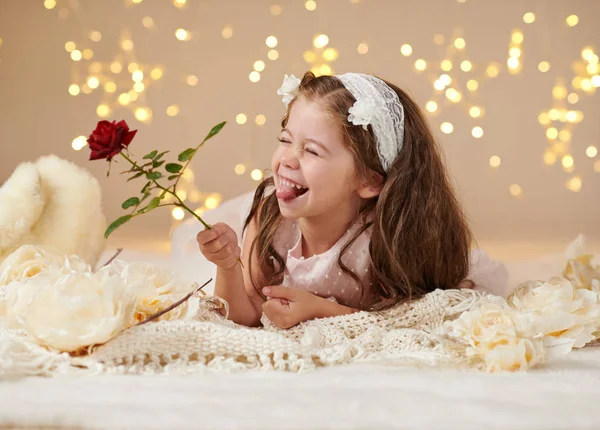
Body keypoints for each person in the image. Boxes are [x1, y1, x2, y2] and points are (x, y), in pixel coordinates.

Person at [197, 71, 507, 329]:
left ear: (370, 180)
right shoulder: (270, 222)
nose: (287, 160)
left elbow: (409, 322)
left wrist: (319, 311)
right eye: (285, 140)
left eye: (312, 150)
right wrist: (227, 267)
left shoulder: (386, 239)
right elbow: (244, 314)